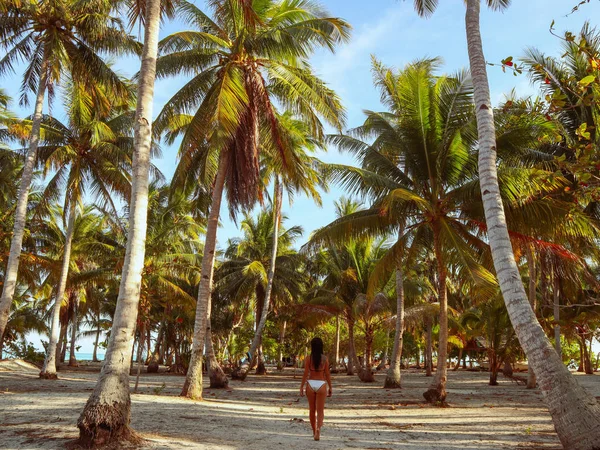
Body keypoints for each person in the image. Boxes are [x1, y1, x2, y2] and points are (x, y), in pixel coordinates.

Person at [299, 337, 332, 441]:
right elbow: (327, 374)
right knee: (320, 410)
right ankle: (318, 429)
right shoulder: (325, 359)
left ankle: (313, 431)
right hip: (321, 384)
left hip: (310, 384)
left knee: (312, 410)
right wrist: (330, 387)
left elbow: (305, 373)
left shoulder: (309, 358)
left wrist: (301, 387)